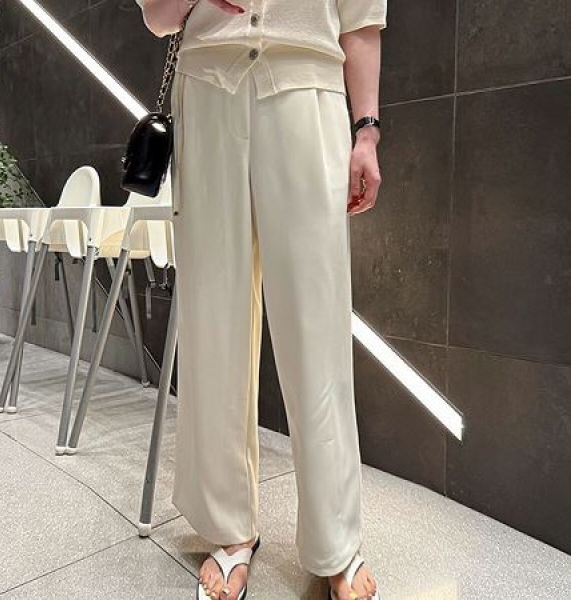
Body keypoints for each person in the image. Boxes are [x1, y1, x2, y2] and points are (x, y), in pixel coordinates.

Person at [136, 0, 387, 598]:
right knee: (213, 318)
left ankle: (336, 540)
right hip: (207, 92)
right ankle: (229, 528)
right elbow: (158, 17)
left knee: (318, 321)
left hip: (309, 89)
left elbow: (360, 20)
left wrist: (366, 130)